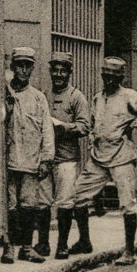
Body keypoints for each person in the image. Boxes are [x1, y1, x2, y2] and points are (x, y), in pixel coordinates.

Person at [69, 57, 137, 266]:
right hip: (98, 157)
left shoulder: (129, 96)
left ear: (121, 77)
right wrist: (93, 139)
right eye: (106, 76)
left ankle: (129, 252)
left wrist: (135, 124)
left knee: (128, 204)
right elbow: (94, 123)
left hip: (121, 157)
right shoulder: (97, 99)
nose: (109, 80)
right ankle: (84, 241)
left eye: (114, 76)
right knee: (77, 197)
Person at [1, 47, 55, 264]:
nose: (23, 70)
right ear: (13, 67)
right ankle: (8, 248)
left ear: (32, 68)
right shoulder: (3, 94)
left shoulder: (38, 98)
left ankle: (26, 247)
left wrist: (46, 159)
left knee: (28, 206)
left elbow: (47, 131)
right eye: (19, 65)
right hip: (8, 162)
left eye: (27, 65)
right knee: (9, 206)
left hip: (31, 162)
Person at [45, 52, 91, 260]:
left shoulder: (76, 97)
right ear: (50, 71)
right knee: (43, 201)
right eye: (55, 70)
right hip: (46, 157)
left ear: (70, 72)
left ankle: (62, 246)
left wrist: (65, 128)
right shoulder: (44, 95)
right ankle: (42, 244)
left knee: (66, 202)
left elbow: (85, 126)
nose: (59, 74)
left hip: (67, 158)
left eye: (63, 70)